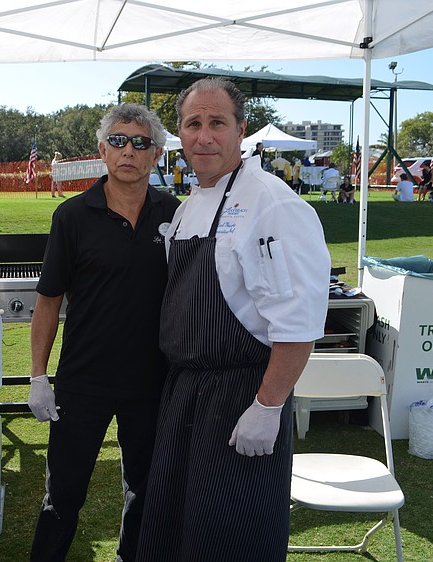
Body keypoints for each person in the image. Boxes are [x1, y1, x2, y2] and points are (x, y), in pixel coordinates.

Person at [136, 78, 330, 562]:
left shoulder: (273, 203)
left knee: (230, 538)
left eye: (217, 123)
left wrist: (267, 407)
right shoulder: (186, 209)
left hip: (241, 397)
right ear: (179, 134)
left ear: (240, 130)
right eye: (193, 124)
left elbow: (298, 322)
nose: (204, 137)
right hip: (185, 394)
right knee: (176, 530)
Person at [29, 103, 180, 562]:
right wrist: (38, 376)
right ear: (102, 150)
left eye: (140, 143)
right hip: (83, 381)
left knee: (146, 491)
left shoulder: (175, 214)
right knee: (63, 496)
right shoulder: (72, 216)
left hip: (152, 384)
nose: (128, 151)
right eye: (118, 141)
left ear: (155, 155)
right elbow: (49, 301)